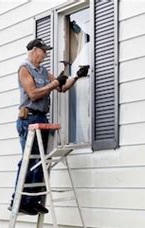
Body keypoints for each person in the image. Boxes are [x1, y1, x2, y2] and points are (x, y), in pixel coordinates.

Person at [10, 38, 89, 215]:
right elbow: (33, 94)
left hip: (41, 118)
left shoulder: (43, 71)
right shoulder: (24, 68)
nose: (46, 54)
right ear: (34, 50)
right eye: (44, 51)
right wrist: (55, 83)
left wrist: (76, 76)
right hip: (28, 119)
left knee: (41, 160)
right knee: (29, 159)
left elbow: (62, 87)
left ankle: (33, 200)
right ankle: (18, 200)